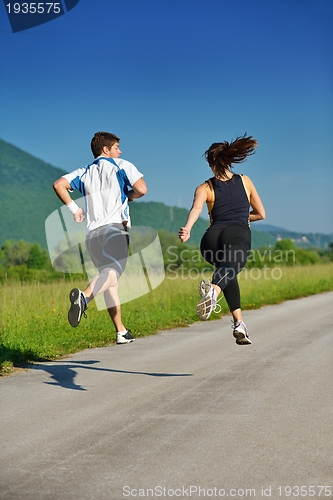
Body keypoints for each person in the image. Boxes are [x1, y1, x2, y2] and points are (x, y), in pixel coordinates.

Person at [53, 131, 147, 344]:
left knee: (108, 280)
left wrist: (75, 210)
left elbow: (59, 184)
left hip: (92, 235)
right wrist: (130, 195)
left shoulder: (84, 171)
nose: (120, 151)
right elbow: (142, 189)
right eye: (116, 147)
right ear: (106, 149)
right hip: (115, 230)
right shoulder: (121, 164)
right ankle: (84, 297)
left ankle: (121, 331)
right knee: (112, 274)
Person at [178, 134, 265, 345]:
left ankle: (239, 324)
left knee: (227, 271)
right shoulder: (245, 181)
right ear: (229, 159)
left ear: (210, 163)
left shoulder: (204, 187)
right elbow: (261, 213)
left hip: (211, 240)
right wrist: (243, 217)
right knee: (230, 269)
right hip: (237, 234)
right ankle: (213, 292)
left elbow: (196, 208)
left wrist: (187, 229)